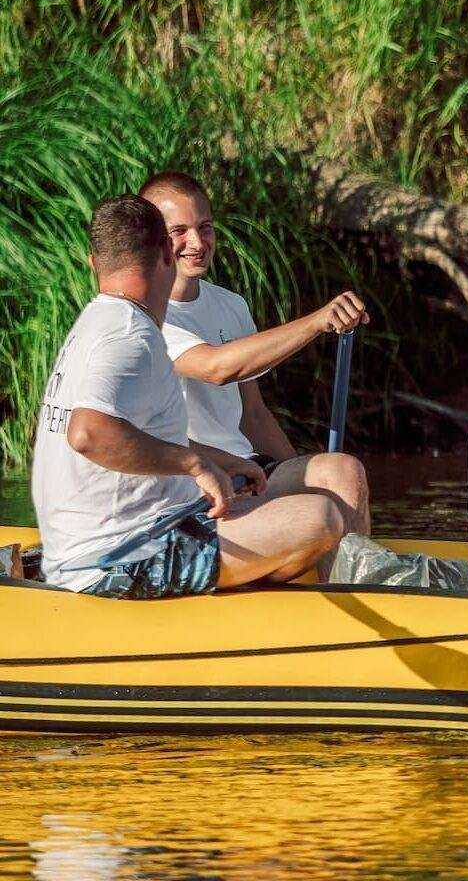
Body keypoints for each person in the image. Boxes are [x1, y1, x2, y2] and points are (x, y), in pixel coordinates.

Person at [32, 195, 347, 596]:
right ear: (166, 253)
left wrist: (222, 460)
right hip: (120, 560)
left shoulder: (96, 322)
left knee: (319, 496)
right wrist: (196, 464)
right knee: (318, 517)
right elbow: (88, 433)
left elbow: (136, 433)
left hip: (131, 537)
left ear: (93, 262)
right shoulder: (130, 335)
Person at [138, 171, 370, 546]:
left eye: (205, 227)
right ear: (151, 238)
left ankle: (356, 582)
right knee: (318, 506)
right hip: (192, 483)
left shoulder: (231, 305)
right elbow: (217, 368)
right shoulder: (147, 313)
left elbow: (254, 415)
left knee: (343, 469)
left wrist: (306, 478)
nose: (197, 242)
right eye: (178, 230)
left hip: (248, 470)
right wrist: (317, 321)